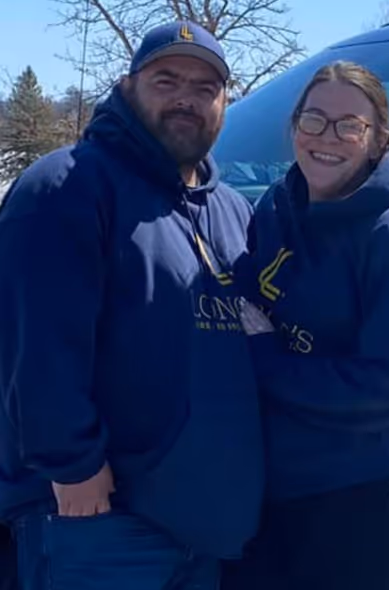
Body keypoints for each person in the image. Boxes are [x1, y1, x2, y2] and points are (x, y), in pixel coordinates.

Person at [0, 20, 264, 590]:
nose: (185, 100)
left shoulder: (232, 212)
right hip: (99, 521)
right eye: (166, 80)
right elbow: (36, 345)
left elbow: (248, 333)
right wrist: (74, 468)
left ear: (224, 103)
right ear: (126, 88)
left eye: (204, 87)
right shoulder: (67, 187)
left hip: (203, 522)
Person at [220, 61, 389, 590]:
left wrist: (268, 362)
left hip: (350, 501)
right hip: (267, 490)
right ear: (294, 126)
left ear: (376, 141)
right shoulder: (277, 208)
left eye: (350, 125)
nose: (329, 137)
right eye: (315, 119)